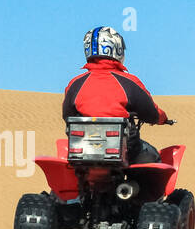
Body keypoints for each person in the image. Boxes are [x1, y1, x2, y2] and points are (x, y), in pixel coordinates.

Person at [62, 26, 169, 163]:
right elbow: (151, 113)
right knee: (153, 157)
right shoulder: (129, 82)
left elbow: (67, 115)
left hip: (83, 149)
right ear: (117, 48)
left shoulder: (75, 83)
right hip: (127, 149)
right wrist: (163, 119)